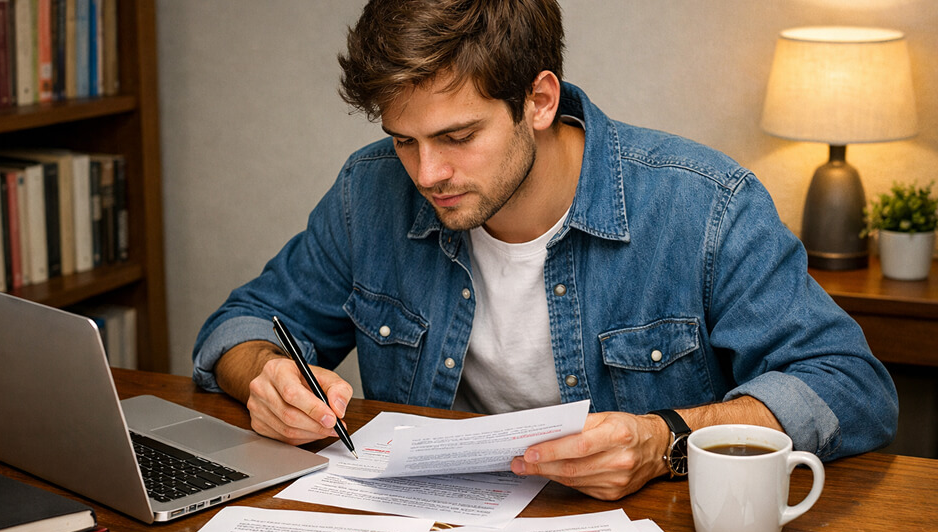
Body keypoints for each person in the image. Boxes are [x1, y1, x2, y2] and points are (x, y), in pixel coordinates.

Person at [193, 0, 897, 501]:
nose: (425, 173)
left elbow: (851, 386)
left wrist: (666, 439)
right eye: (404, 139)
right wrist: (263, 376)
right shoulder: (371, 189)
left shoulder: (702, 204)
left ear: (538, 100)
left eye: (458, 136)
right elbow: (238, 326)